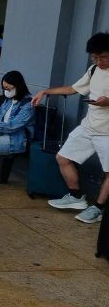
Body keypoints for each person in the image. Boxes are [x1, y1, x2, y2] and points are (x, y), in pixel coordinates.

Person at [32, 32, 109, 224]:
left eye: (103, 57)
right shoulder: (93, 70)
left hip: (107, 133)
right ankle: (76, 197)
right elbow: (72, 89)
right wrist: (45, 91)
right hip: (88, 126)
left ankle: (98, 208)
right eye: (95, 57)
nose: (99, 61)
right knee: (63, 157)